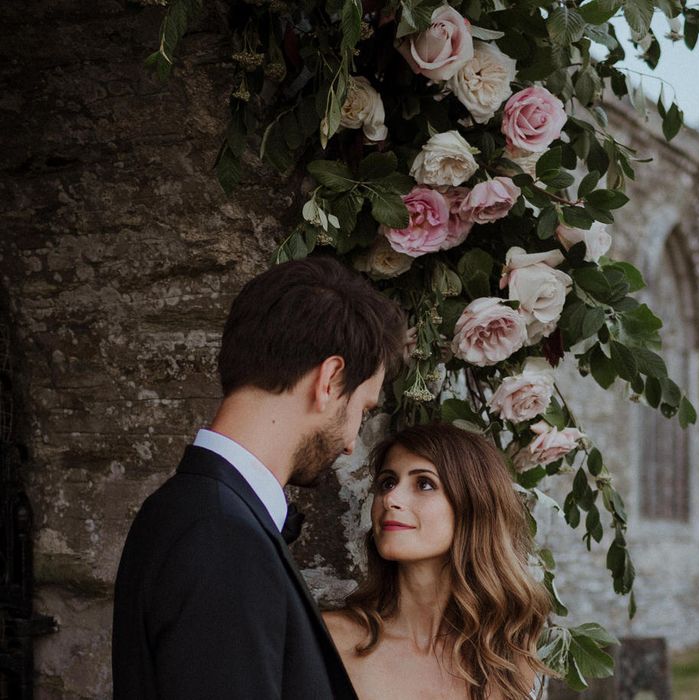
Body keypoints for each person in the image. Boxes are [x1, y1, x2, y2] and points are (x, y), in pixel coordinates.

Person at [112, 256, 405, 700]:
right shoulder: (222, 536)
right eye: (361, 411)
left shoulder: (190, 510)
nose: (350, 443)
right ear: (330, 379)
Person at [323, 423, 552, 700]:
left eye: (424, 484)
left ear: (473, 506)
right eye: (387, 482)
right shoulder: (329, 640)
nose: (390, 498)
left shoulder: (509, 663)